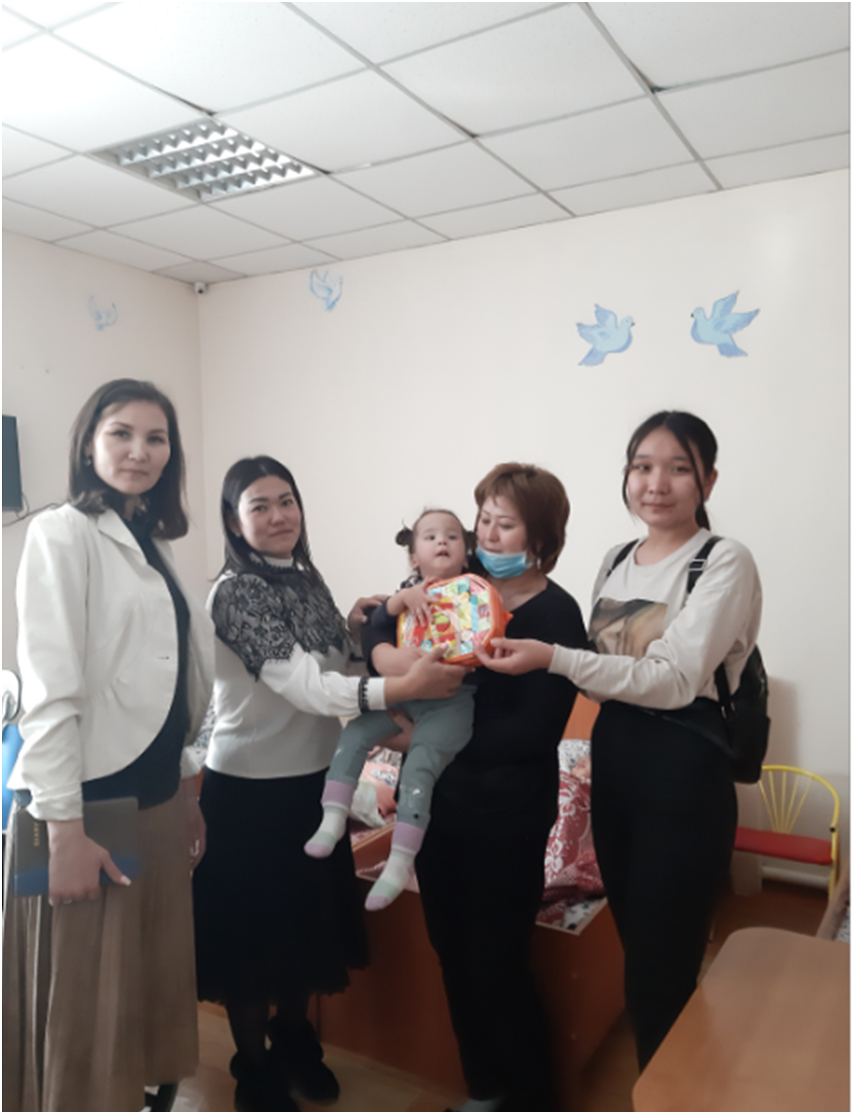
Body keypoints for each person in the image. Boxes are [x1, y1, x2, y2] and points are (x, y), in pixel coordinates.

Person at [478, 412, 762, 1070]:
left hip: (684, 767)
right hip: (617, 758)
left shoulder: (723, 560)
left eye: (678, 468)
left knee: (661, 970)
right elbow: (602, 679)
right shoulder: (615, 559)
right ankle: (672, 1082)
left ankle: (667, 1093)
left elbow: (674, 681)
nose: (655, 483)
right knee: (641, 949)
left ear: (708, 480)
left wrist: (553, 657)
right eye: (642, 466)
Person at [192, 456, 466, 1113]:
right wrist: (402, 687)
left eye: (286, 500)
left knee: (304, 930)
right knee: (253, 943)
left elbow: (334, 662)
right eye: (259, 506)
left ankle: (295, 1043)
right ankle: (254, 1070)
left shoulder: (304, 577)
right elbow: (310, 689)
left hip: (311, 787)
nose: (278, 515)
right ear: (233, 519)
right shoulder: (235, 592)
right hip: (248, 793)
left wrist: (355, 627)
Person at [3, 379, 214, 1112]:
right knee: (82, 1002)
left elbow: (170, 683)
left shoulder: (152, 542)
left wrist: (186, 792)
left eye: (156, 438)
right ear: (88, 444)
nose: (139, 451)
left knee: (139, 985)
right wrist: (63, 831)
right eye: (120, 433)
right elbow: (50, 689)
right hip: (87, 803)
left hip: (151, 797)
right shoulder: (62, 532)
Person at [409, 464, 589, 1113]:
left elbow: (532, 733)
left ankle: (534, 1100)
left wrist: (425, 740)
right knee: (451, 953)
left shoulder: (556, 614)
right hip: (438, 809)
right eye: (482, 519)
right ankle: (483, 1089)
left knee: (496, 961)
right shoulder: (458, 591)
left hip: (506, 819)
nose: (485, 533)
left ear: (539, 537)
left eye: (504, 524)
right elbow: (393, 631)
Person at [306, 508, 479, 911]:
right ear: (414, 557)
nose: (442, 541)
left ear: (466, 554)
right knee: (355, 732)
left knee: (418, 768)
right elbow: (377, 623)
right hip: (404, 696)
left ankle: (400, 861)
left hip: (451, 704)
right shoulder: (404, 592)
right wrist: (402, 599)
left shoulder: (475, 590)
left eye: (452, 536)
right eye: (430, 537)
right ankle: (333, 816)